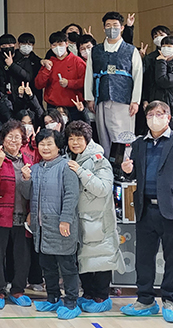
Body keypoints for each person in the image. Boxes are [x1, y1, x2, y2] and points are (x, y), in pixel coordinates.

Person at [120, 101, 173, 324]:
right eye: (150, 114)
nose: (155, 118)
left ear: (168, 117)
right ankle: (145, 300)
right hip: (145, 208)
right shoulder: (139, 143)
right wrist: (127, 171)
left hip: (172, 209)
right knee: (143, 258)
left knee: (172, 258)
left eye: (159, 114)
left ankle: (170, 300)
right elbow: (133, 174)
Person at [18, 129, 81, 320]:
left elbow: (72, 195)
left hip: (62, 226)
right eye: (42, 144)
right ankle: (53, 298)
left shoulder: (66, 166)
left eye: (49, 144)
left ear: (58, 146)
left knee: (67, 266)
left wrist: (65, 219)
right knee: (47, 266)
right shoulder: (36, 168)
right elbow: (28, 195)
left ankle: (71, 302)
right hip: (41, 228)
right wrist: (26, 179)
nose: (45, 148)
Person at [64, 121, 124, 313]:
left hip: (99, 221)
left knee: (101, 259)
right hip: (79, 220)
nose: (74, 142)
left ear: (87, 140)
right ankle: (88, 294)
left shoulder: (99, 160)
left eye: (78, 138)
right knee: (84, 259)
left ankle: (102, 297)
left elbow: (104, 188)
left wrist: (81, 172)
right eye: (71, 138)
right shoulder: (69, 158)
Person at [0, 120, 36, 310]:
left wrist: (31, 211)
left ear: (23, 140)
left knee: (22, 257)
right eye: (10, 136)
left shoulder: (28, 160)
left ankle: (17, 291)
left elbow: (33, 191)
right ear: (2, 139)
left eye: (18, 137)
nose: (14, 140)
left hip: (23, 217)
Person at [85, 12, 143, 162]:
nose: (112, 29)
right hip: (101, 98)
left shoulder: (131, 50)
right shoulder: (95, 50)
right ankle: (106, 168)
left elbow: (138, 76)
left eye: (115, 25)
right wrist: (89, 98)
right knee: (104, 137)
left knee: (123, 137)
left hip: (123, 100)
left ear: (122, 28)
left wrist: (135, 100)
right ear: (104, 28)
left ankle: (124, 167)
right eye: (108, 26)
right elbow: (89, 74)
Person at [35, 32, 86, 121]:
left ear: (66, 44)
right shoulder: (48, 63)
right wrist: (46, 70)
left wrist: (69, 83)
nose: (57, 47)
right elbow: (38, 84)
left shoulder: (77, 61)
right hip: (53, 107)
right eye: (54, 45)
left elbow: (86, 83)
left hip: (74, 107)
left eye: (60, 44)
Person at [145, 36, 173, 134]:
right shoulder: (153, 61)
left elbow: (165, 81)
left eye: (169, 46)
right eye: (163, 46)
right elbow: (148, 82)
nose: (165, 49)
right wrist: (145, 99)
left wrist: (161, 62)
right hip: (155, 100)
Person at [11, 33, 43, 105]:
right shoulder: (12, 58)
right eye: (24, 44)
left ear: (33, 46)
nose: (26, 46)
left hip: (34, 94)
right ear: (18, 44)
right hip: (16, 94)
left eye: (29, 44)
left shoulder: (37, 60)